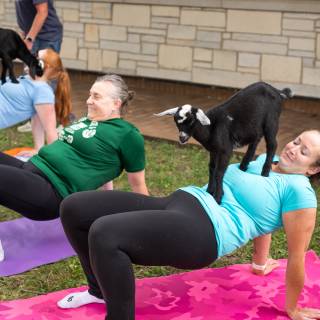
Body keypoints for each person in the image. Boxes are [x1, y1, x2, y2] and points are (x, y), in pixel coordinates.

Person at [57, 130, 320, 320]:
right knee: (75, 208)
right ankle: (99, 291)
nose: (293, 148)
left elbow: (297, 256)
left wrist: (292, 308)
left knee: (105, 233)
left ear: (312, 169)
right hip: (180, 202)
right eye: (296, 140)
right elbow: (264, 221)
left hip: (204, 232)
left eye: (304, 151)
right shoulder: (265, 160)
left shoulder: (300, 193)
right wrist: (260, 264)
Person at [0, 74, 148, 221]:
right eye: (90, 95)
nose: (88, 101)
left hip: (51, 190)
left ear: (116, 104)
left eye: (96, 96)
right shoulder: (88, 120)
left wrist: (148, 220)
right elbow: (102, 161)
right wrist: (106, 195)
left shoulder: (128, 134)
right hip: (31, 168)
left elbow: (138, 183)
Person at [0, 48, 71, 153]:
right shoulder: (29, 79)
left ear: (46, 66)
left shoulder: (43, 91)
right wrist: (38, 148)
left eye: (36, 57)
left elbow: (50, 131)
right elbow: (37, 121)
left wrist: (49, 157)